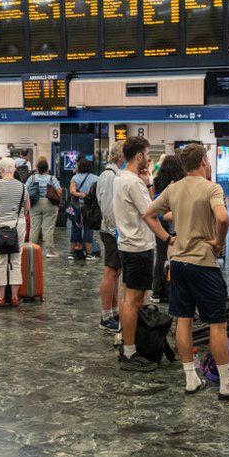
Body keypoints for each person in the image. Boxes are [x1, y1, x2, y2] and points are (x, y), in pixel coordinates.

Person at [144, 143, 229, 401]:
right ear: (204, 161)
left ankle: (191, 378)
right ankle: (227, 383)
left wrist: (168, 240)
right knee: (217, 323)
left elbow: (149, 214)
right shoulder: (211, 188)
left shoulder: (174, 188)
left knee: (184, 320)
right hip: (203, 263)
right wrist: (218, 242)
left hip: (179, 263)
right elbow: (223, 218)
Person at [112, 136, 158, 372]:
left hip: (128, 244)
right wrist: (167, 237)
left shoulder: (121, 178)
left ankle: (126, 341)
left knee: (130, 296)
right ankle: (130, 352)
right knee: (134, 299)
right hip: (139, 247)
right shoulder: (133, 183)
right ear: (139, 155)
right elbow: (149, 213)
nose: (149, 158)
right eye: (148, 154)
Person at [0, 158, 31, 307]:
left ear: (1, 170)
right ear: (14, 169)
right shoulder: (23, 187)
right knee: (16, 260)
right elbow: (27, 208)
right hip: (18, 225)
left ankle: (1, 297)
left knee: (0, 261)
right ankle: (15, 297)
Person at [95, 141, 124, 332]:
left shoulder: (115, 174)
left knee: (115, 272)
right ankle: (106, 316)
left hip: (115, 230)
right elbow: (106, 206)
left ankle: (113, 312)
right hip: (111, 231)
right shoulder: (108, 175)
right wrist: (115, 230)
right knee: (110, 271)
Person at [151, 155, 186, 303]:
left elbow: (153, 200)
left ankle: (156, 292)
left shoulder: (157, 180)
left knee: (160, 254)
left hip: (159, 217)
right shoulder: (182, 181)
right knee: (175, 255)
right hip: (174, 218)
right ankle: (173, 289)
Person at [26, 157, 61, 258]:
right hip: (48, 203)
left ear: (37, 168)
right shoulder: (51, 178)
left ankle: (31, 249)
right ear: (47, 168)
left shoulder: (32, 178)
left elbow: (25, 190)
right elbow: (59, 191)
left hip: (35, 203)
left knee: (34, 227)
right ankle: (49, 251)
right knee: (48, 228)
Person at [68, 159, 97, 260]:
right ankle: (89, 254)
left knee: (75, 229)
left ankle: (72, 253)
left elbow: (72, 191)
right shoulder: (96, 178)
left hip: (77, 208)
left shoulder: (75, 177)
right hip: (90, 208)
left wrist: (80, 194)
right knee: (89, 229)